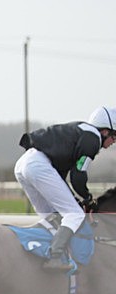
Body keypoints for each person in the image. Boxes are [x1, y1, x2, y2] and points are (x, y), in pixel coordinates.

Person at [14, 106, 116, 271]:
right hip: (37, 165)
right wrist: (89, 199)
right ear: (104, 131)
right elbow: (78, 175)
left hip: (23, 164)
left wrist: (76, 199)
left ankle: (39, 251)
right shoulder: (93, 139)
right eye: (114, 136)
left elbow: (61, 181)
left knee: (52, 216)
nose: (114, 142)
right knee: (74, 214)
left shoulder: (81, 132)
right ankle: (55, 257)